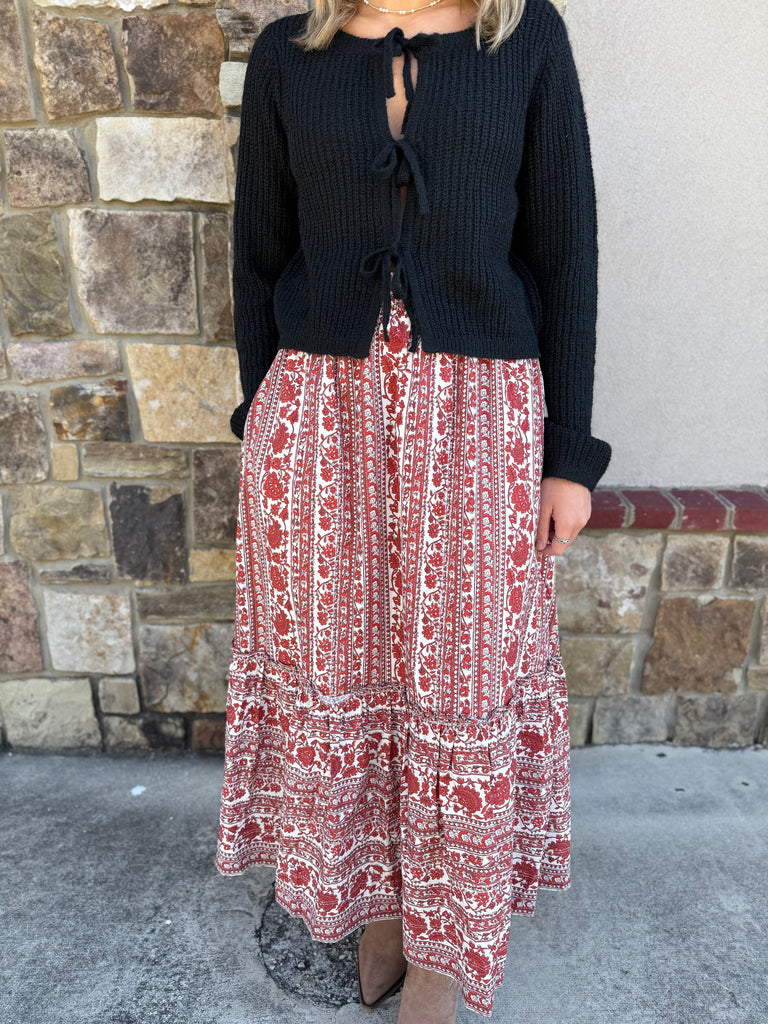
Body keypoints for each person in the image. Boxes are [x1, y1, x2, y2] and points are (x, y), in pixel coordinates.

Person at [215, 0, 612, 1020]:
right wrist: (267, 421)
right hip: (321, 412)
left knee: (460, 672)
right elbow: (256, 255)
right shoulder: (287, 57)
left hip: (479, 410)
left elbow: (566, 249)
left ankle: (447, 943)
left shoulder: (521, 40)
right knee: (342, 664)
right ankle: (377, 905)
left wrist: (568, 457)